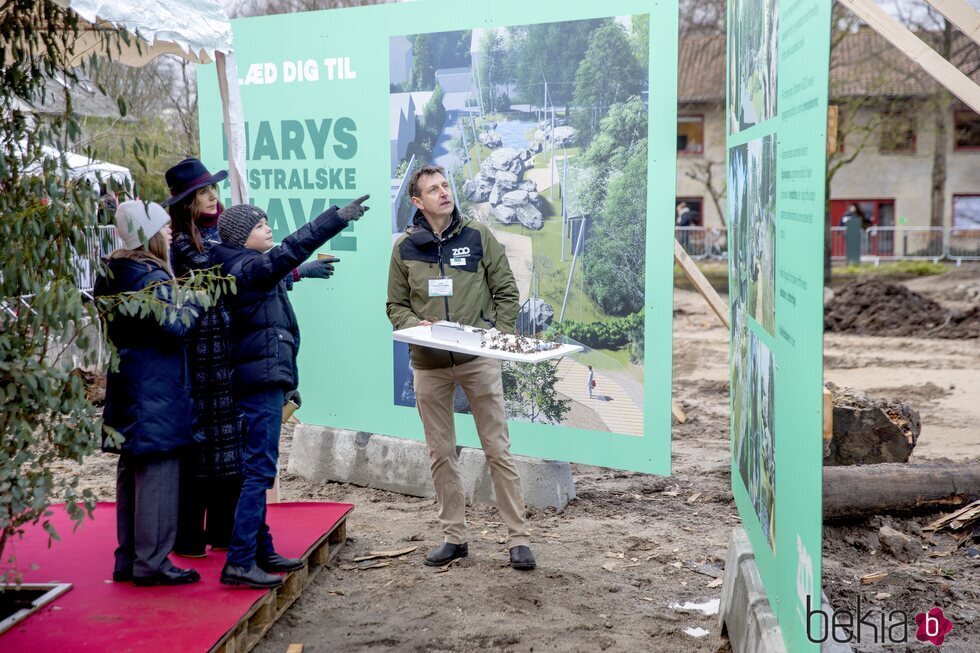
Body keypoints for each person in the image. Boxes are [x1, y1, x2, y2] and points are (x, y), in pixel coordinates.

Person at [211, 195, 369, 588]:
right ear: (242, 236)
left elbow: (278, 272)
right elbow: (285, 255)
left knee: (258, 468)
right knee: (259, 470)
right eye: (260, 225)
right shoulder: (247, 266)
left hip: (264, 377)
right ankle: (241, 560)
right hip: (260, 380)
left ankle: (259, 548)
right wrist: (334, 219)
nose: (268, 228)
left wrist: (306, 271)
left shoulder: (241, 265)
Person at [386, 164, 535, 571]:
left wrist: (495, 338)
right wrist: (414, 326)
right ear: (417, 201)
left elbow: (506, 290)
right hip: (429, 366)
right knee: (440, 453)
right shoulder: (404, 248)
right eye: (433, 189)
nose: (444, 193)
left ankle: (518, 539)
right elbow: (395, 306)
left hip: (477, 362)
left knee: (497, 449)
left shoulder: (477, 235)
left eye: (446, 186)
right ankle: (455, 537)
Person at [95, 200, 203, 586]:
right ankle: (153, 561)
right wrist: (194, 300)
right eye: (162, 225)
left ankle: (128, 558)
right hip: (154, 390)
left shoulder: (113, 272)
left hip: (127, 385)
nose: (170, 230)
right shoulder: (148, 277)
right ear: (148, 234)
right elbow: (174, 327)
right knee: (158, 472)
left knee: (131, 474)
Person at [163, 157, 241, 558]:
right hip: (200, 357)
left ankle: (223, 531)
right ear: (186, 202)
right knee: (202, 448)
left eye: (213, 190)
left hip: (224, 354)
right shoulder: (185, 244)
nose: (213, 198)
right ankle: (190, 536)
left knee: (228, 444)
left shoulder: (216, 235)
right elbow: (235, 269)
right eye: (204, 193)